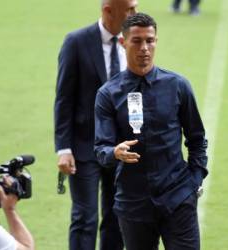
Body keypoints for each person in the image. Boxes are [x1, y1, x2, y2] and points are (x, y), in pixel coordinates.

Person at [94, 13, 208, 250]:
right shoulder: (108, 94)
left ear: (156, 41)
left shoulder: (178, 85)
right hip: (133, 204)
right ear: (123, 43)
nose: (144, 48)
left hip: (178, 199)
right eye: (137, 41)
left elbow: (196, 138)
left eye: (150, 40)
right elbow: (100, 149)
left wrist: (194, 180)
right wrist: (114, 152)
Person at [54, 0, 138, 249]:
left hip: (121, 148)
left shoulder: (134, 42)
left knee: (116, 217)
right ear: (108, 11)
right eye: (130, 9)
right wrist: (63, 149)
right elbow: (64, 98)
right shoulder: (76, 42)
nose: (135, 13)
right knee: (84, 218)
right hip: (84, 148)